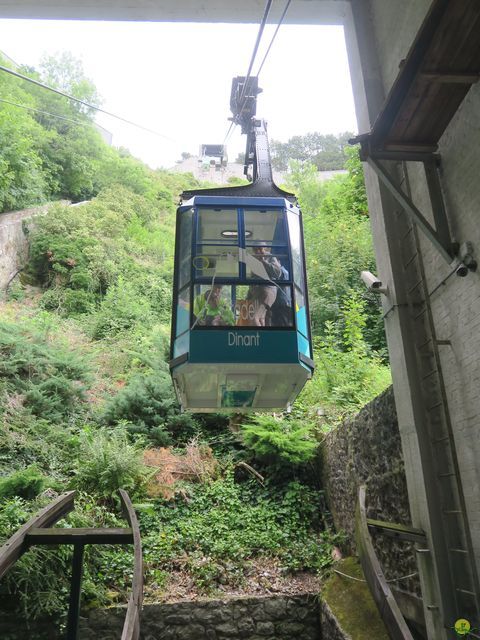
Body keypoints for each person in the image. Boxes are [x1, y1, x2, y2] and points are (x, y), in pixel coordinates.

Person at [247, 244, 292, 327]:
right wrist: (249, 296)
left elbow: (277, 273)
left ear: (265, 248)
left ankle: (259, 337)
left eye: (260, 249)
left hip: (270, 295)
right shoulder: (254, 261)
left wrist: (263, 261)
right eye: (256, 250)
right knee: (261, 318)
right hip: (260, 294)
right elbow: (253, 279)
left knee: (254, 318)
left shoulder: (270, 257)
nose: (258, 252)